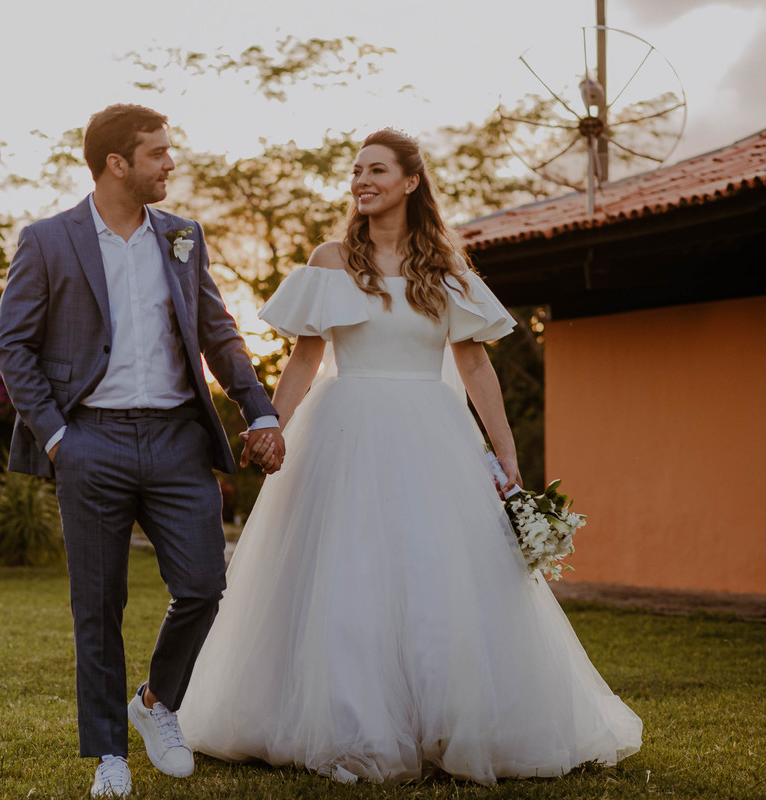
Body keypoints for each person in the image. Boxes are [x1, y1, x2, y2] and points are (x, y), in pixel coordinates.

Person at [178, 128, 642, 785]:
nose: (362, 180)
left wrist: (505, 454)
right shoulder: (331, 259)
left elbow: (475, 366)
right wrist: (270, 427)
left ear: (411, 181)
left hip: (433, 435)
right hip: (345, 433)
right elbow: (305, 358)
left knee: (438, 575)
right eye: (357, 170)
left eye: (377, 169)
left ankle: (446, 722)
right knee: (348, 572)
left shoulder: (446, 268)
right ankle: (349, 727)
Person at [0, 103, 283, 798]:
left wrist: (259, 407)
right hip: (90, 440)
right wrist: (60, 438)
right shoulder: (48, 240)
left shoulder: (183, 238)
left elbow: (219, 331)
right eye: (158, 153)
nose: (170, 165)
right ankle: (109, 754)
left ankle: (156, 704)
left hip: (177, 439)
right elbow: (14, 346)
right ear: (116, 163)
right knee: (98, 603)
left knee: (205, 586)